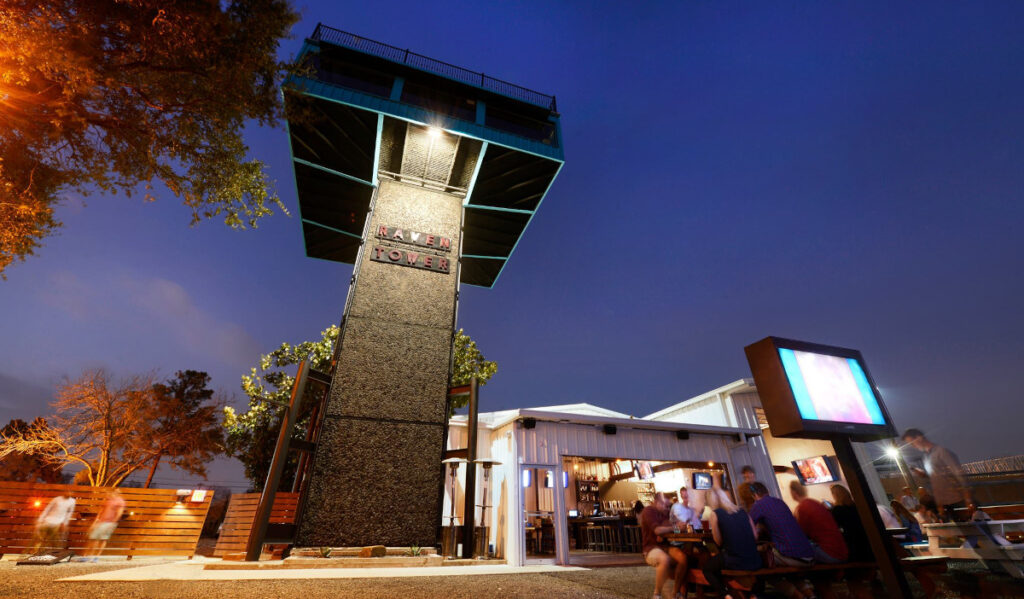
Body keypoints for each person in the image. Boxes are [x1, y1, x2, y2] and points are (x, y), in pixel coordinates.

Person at [703, 487, 762, 599]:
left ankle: (726, 595)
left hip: (735, 560)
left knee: (707, 569)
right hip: (755, 560)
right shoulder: (742, 511)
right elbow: (755, 536)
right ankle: (753, 594)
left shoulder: (715, 514)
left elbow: (718, 542)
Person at [902, 428, 971, 521]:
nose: (913, 446)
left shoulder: (941, 451)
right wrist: (923, 474)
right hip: (944, 503)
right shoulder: (926, 457)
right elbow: (935, 477)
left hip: (956, 500)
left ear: (919, 438)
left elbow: (959, 474)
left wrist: (968, 499)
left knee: (971, 530)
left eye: (912, 443)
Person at [749, 481, 815, 567]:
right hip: (810, 556)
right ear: (767, 491)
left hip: (797, 558)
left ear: (754, 495)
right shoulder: (780, 502)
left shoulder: (758, 505)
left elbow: (747, 529)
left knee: (758, 557)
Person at [640, 492, 688, 599]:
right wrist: (675, 527)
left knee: (683, 558)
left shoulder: (665, 513)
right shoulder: (649, 511)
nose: (667, 508)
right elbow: (658, 530)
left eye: (668, 506)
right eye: (665, 506)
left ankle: (676, 593)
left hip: (665, 546)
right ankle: (657, 594)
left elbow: (669, 529)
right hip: (651, 548)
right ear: (657, 502)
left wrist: (679, 527)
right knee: (664, 559)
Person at [788, 480, 848, 563]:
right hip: (842, 552)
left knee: (794, 551)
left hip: (831, 554)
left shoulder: (803, 507)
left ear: (794, 492)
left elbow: (800, 535)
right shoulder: (813, 502)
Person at [828, 485, 871, 562]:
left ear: (835, 495)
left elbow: (835, 526)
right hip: (866, 541)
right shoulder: (856, 506)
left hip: (852, 545)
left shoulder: (837, 510)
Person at [80, 490, 125, 561]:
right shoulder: (107, 500)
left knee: (102, 539)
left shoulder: (120, 501)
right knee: (93, 538)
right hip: (101, 522)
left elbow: (119, 513)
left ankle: (95, 557)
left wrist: (113, 523)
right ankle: (87, 556)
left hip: (109, 523)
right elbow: (100, 512)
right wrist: (95, 522)